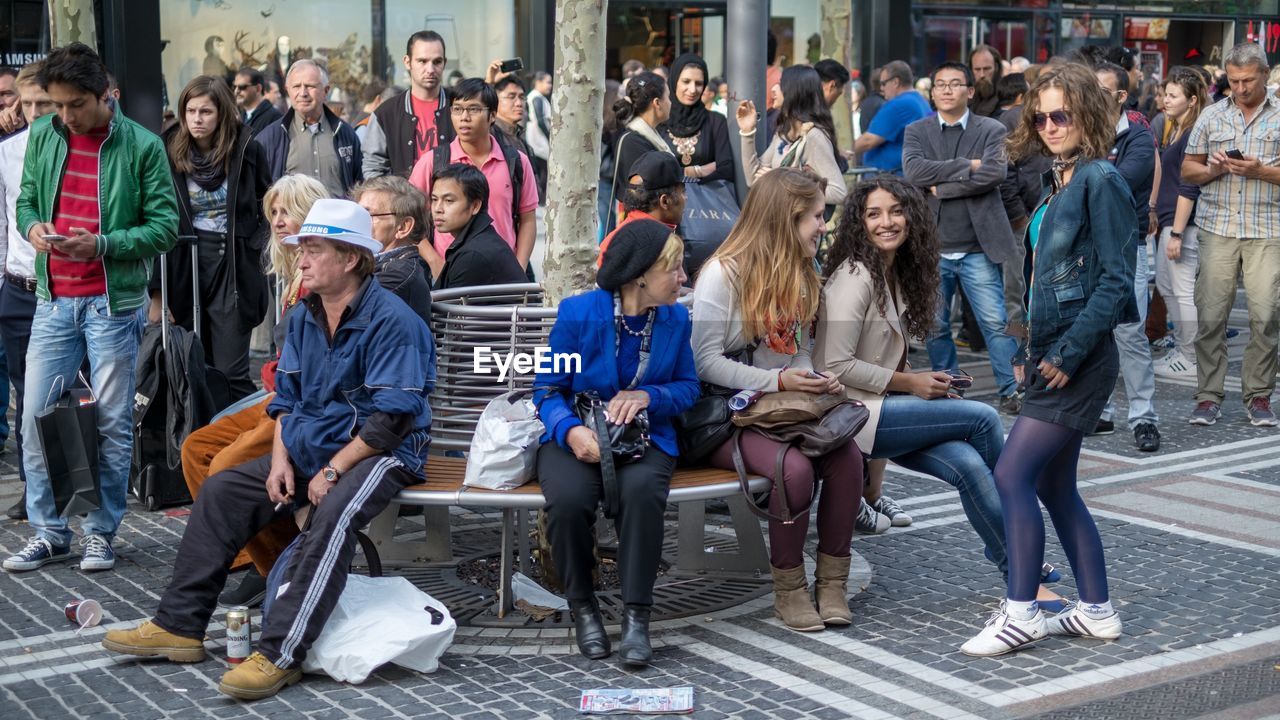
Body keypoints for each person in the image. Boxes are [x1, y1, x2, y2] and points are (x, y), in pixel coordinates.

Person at [103, 199, 436, 701]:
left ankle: (282, 652)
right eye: (301, 249)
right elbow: (287, 400)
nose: (300, 260)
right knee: (222, 489)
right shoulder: (305, 314)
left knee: (334, 517)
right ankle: (180, 626)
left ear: (349, 258)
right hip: (312, 447)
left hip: (375, 454)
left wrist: (330, 469)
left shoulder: (393, 320)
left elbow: (390, 422)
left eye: (313, 249)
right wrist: (281, 460)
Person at [815, 175, 1065, 606]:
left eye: (895, 211)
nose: (886, 222)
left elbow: (881, 355)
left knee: (968, 463)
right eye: (873, 214)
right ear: (858, 221)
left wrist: (922, 384)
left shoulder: (892, 271)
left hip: (881, 410)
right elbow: (833, 365)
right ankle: (1019, 545)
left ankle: (1018, 572)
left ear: (912, 217)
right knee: (984, 417)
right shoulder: (855, 275)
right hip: (847, 415)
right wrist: (911, 384)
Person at [962, 62, 1136, 656]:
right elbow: (1046, 279)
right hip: (1054, 353)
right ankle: (1096, 610)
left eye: (1060, 114)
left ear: (1086, 113)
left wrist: (1063, 351)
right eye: (1040, 116)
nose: (1049, 124)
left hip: (1078, 358)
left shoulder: (1099, 179)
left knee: (1012, 474)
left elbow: (1116, 282)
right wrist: (1032, 345)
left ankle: (1023, 611)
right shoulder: (1060, 180)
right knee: (1057, 487)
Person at [2, 42, 178, 573]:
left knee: (110, 420)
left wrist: (101, 244)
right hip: (53, 298)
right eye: (55, 105)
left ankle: (100, 531)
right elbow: (27, 200)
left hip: (112, 301)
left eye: (75, 104)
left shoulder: (143, 145)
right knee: (35, 416)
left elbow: (165, 228)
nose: (64, 115)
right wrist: (33, 228)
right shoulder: (44, 136)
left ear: (108, 96)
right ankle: (49, 532)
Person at [692, 168, 864, 632]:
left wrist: (812, 378)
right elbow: (705, 363)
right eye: (816, 216)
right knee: (795, 468)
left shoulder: (802, 274)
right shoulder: (721, 275)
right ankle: (788, 590)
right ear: (785, 219)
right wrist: (784, 381)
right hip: (724, 417)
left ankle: (831, 584)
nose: (823, 226)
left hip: (780, 411)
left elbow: (799, 351)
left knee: (847, 457)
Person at [534, 219, 696, 667]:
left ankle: (636, 618)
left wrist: (649, 395)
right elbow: (546, 389)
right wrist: (569, 431)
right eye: (676, 269)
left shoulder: (675, 318)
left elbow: (688, 387)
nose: (685, 278)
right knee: (566, 502)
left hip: (645, 436)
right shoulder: (579, 314)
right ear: (641, 274)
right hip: (578, 434)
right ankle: (583, 609)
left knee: (643, 494)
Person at [181, 174, 329, 610]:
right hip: (279, 392)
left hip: (302, 403)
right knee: (196, 447)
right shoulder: (289, 269)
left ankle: (275, 567)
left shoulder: (323, 270)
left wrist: (280, 375)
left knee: (229, 464)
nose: (280, 221)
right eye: (275, 213)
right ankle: (251, 559)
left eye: (288, 211)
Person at [902, 61, 1023, 415]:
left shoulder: (992, 129)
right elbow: (914, 171)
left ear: (970, 91)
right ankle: (950, 386)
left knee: (995, 323)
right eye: (940, 84)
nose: (946, 90)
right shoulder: (917, 130)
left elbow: (994, 172)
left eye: (955, 84)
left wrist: (942, 186)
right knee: (936, 325)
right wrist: (965, 165)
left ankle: (1010, 390)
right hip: (933, 246)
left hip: (978, 246)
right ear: (933, 91)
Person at [152, 75, 271, 401]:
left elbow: (269, 205)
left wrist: (255, 248)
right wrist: (156, 292)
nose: (196, 119)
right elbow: (152, 216)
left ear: (222, 113)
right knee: (190, 364)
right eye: (190, 111)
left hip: (232, 266)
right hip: (183, 264)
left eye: (205, 111)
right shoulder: (166, 148)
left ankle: (235, 445)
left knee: (231, 370)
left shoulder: (246, 147)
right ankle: (195, 444)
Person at [1184, 43, 1280, 427]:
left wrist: (1260, 172)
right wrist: (1214, 170)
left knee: (1266, 316)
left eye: (1248, 81)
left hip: (1268, 228)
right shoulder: (1212, 115)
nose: (1240, 88)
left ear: (1266, 75)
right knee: (1209, 316)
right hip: (1218, 227)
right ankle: (1208, 396)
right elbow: (1188, 171)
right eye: (1234, 80)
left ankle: (1258, 396)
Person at [1091, 61, 1160, 451]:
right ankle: (1100, 412)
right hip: (1085, 246)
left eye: (1100, 90)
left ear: (1120, 97)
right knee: (1092, 330)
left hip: (1124, 243)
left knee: (1130, 332)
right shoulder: (1074, 130)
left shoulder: (1137, 134)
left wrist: (1086, 172)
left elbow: (1120, 180)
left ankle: (1144, 417)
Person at [408, 78, 538, 279]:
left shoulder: (516, 162)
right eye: (457, 109)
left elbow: (527, 219)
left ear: (492, 116)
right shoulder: (434, 162)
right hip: (450, 276)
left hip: (504, 276)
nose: (464, 117)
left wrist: (518, 269)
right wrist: (435, 262)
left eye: (474, 110)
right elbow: (409, 219)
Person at [0, 61, 55, 521]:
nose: (35, 111)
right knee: (24, 394)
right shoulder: (8, 152)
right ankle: (32, 484)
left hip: (67, 287)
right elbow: (2, 222)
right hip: (18, 288)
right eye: (28, 103)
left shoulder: (76, 151)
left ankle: (79, 480)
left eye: (44, 103)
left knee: (74, 390)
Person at [1151, 68, 1208, 381]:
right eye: (1164, 94)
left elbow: (1189, 184)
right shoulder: (1178, 129)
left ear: (1192, 100)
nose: (1164, 101)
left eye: (1172, 96)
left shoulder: (1192, 133)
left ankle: (1191, 355)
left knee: (1182, 290)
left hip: (1182, 224)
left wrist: (1176, 231)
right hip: (1170, 220)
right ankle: (1185, 349)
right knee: (1166, 284)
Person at [735, 65, 847, 206]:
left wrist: (783, 184)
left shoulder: (813, 136)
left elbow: (839, 193)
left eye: (781, 84)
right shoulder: (784, 133)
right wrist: (747, 132)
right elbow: (753, 178)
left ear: (795, 91)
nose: (773, 89)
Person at [255, 59, 362, 197]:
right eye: (296, 86)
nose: (303, 93)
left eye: (310, 86)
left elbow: (359, 185)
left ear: (326, 91)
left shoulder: (346, 134)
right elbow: (259, 192)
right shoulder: (269, 138)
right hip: (293, 219)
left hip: (336, 218)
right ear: (288, 91)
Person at [363, 31, 454, 179]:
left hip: (453, 200)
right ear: (407, 62)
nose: (430, 69)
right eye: (422, 61)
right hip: (402, 200)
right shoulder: (385, 114)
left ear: (445, 62)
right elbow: (373, 168)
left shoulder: (460, 107)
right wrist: (395, 199)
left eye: (437, 62)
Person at [430, 163, 526, 290]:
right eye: (434, 199)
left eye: (449, 201)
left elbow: (451, 308)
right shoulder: (478, 240)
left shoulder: (473, 255)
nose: (437, 209)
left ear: (475, 206)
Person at [352, 175, 433, 324]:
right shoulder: (378, 263)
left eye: (367, 215)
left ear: (403, 227)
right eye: (357, 214)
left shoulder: (398, 274)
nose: (356, 222)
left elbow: (340, 313)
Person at [605, 72, 672, 233]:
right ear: (657, 103)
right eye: (668, 97)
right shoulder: (633, 142)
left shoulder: (647, 135)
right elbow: (643, 197)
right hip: (643, 231)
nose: (671, 103)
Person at [597, 152, 685, 265]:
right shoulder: (657, 244)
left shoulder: (623, 233)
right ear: (664, 201)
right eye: (683, 192)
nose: (686, 198)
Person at [660, 53, 734, 184]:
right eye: (686, 81)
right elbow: (651, 171)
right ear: (674, 81)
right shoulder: (659, 121)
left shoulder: (716, 121)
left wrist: (687, 172)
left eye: (699, 83)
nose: (693, 89)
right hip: (663, 202)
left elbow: (726, 169)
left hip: (705, 202)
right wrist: (699, 170)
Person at [854, 61, 932, 174]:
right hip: (905, 176)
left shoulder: (900, 104)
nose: (881, 88)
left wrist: (841, 152)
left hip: (890, 179)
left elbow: (868, 140)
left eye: (883, 83)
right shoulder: (920, 100)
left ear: (896, 82)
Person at [525, 71, 552, 201]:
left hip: (538, 138)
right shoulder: (536, 97)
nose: (550, 86)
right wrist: (549, 137)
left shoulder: (538, 97)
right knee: (542, 171)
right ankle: (541, 199)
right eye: (548, 82)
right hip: (538, 139)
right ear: (538, 82)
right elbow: (540, 120)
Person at [235, 67, 283, 136]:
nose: (236, 91)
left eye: (242, 87)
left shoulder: (275, 117)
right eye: (235, 87)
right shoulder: (240, 117)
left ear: (258, 88)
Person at [969, 44, 1005, 118]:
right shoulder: (965, 97)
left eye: (987, 69)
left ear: (996, 67)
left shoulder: (1008, 96)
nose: (982, 75)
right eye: (977, 69)